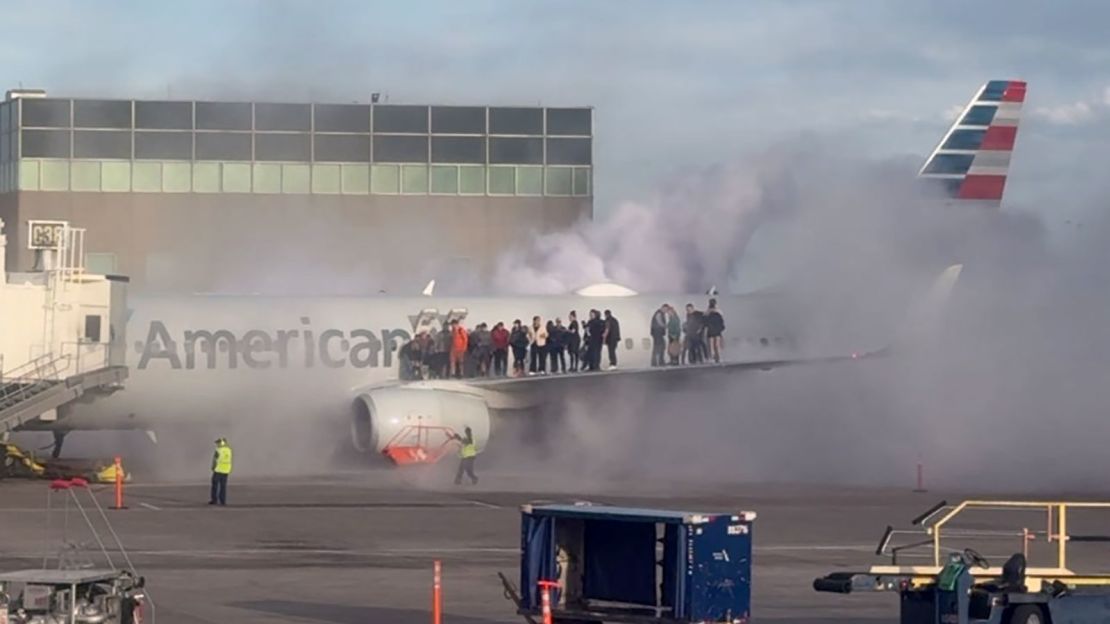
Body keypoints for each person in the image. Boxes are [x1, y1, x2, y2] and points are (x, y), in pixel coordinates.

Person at [209, 437, 232, 506]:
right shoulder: (229, 450)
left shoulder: (218, 450)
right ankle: (223, 501)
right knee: (223, 486)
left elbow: (215, 460)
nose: (217, 444)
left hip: (218, 470)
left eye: (218, 442)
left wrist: (213, 467)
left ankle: (214, 500)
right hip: (226, 470)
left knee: (215, 485)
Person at [705, 298, 725, 364]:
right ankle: (717, 357)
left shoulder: (708, 312)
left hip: (712, 329)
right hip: (716, 329)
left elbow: (705, 320)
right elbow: (721, 321)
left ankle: (714, 357)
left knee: (712, 345)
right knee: (716, 345)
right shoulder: (718, 311)